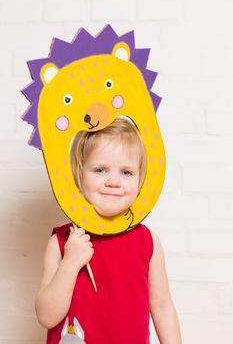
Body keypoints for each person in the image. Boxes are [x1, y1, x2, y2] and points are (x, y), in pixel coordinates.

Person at [35, 117, 182, 343]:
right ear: (79, 174)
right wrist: (70, 264)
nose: (113, 181)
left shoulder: (148, 242)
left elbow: (162, 307)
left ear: (141, 179)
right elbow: (46, 316)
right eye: (100, 169)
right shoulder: (62, 242)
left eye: (126, 172)